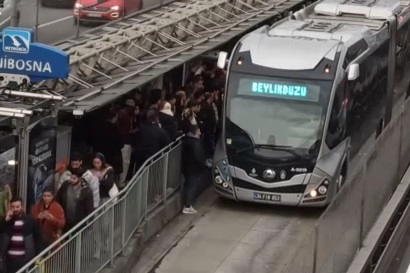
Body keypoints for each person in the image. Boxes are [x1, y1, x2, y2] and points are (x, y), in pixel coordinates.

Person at [0, 197, 44, 273]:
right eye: (13, 207)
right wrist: (5, 221)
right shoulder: (6, 221)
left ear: (22, 207)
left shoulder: (30, 221)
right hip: (9, 260)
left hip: (24, 259)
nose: (15, 209)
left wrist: (38, 254)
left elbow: (38, 238)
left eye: (17, 207)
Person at [181, 125, 211, 214]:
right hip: (193, 168)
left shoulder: (187, 140)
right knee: (192, 186)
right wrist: (205, 163)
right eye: (199, 131)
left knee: (187, 185)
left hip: (186, 167)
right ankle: (187, 206)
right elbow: (198, 156)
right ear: (195, 132)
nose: (200, 133)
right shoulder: (195, 143)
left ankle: (187, 204)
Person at [56, 169, 94, 233]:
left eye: (74, 178)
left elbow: (89, 208)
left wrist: (90, 223)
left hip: (78, 221)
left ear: (80, 178)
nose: (71, 180)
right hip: (66, 219)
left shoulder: (86, 190)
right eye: (71, 177)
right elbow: (58, 198)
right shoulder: (66, 185)